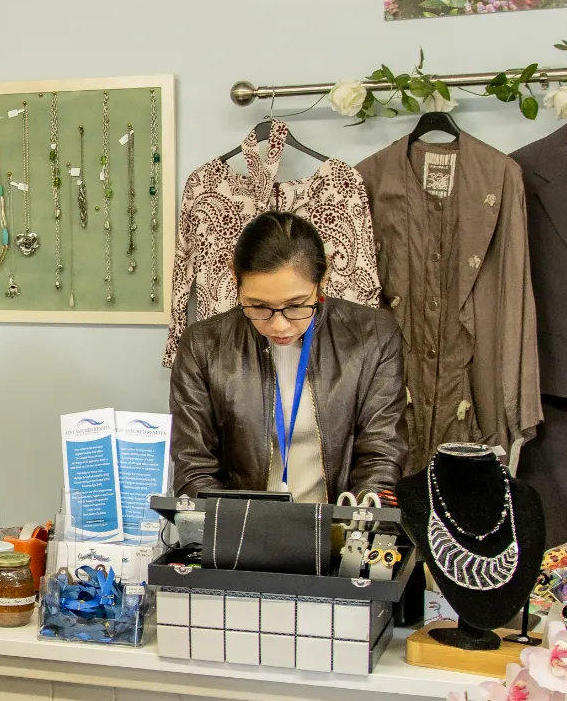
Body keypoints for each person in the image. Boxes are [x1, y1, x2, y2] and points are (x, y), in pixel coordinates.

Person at [169, 210, 407, 502]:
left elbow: (381, 456)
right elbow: (194, 468)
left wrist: (356, 523)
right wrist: (240, 534)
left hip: (339, 532)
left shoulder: (373, 337)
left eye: (296, 305)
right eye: (258, 306)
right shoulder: (203, 346)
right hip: (240, 534)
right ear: (235, 276)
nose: (279, 325)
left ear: (323, 278)